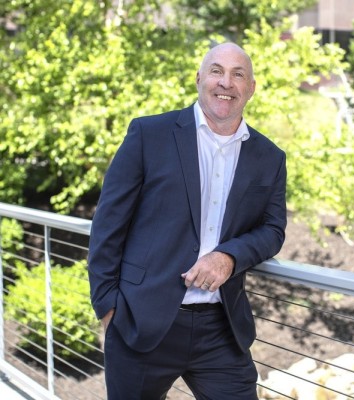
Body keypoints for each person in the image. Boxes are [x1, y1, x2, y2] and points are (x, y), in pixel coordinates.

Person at [88, 42, 287, 400]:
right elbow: (108, 225)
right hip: (142, 322)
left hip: (221, 330)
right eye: (216, 71)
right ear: (199, 79)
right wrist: (107, 308)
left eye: (238, 74)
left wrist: (229, 256)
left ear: (251, 88)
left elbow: (273, 230)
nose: (226, 82)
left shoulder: (269, 157)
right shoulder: (149, 135)